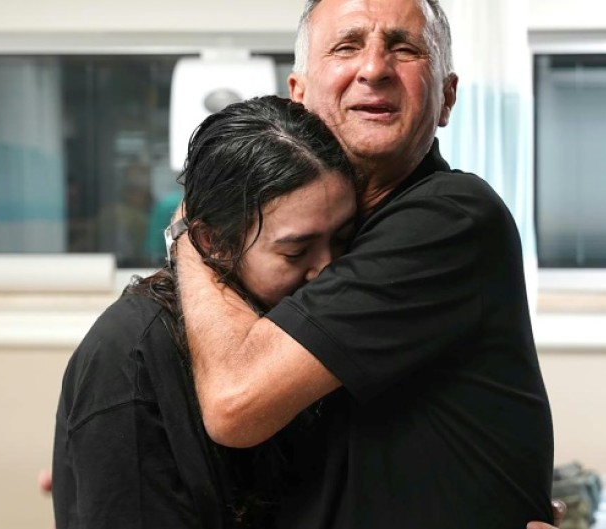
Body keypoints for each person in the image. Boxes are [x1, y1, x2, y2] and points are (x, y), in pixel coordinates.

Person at [173, 0, 557, 528]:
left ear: (446, 98)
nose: (374, 68)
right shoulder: (321, 241)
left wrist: (187, 238)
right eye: (347, 46)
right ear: (298, 94)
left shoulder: (448, 218)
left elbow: (236, 402)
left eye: (404, 49)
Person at [51, 95, 358, 529]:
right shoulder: (129, 355)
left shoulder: (290, 324)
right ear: (213, 242)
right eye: (296, 251)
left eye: (343, 240)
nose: (327, 270)